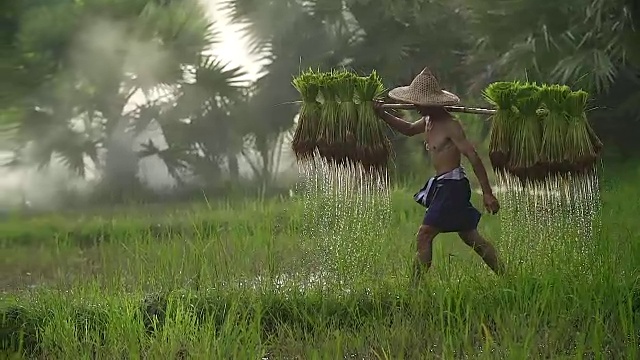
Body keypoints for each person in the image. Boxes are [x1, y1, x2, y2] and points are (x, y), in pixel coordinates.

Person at [373, 67, 505, 284]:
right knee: (470, 236)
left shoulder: (450, 125)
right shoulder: (427, 121)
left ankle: (414, 289)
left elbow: (473, 157)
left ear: (431, 102)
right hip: (443, 185)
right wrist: (382, 114)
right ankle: (507, 276)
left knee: (425, 234)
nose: (413, 106)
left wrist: (488, 193)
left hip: (452, 187)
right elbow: (407, 129)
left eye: (417, 102)